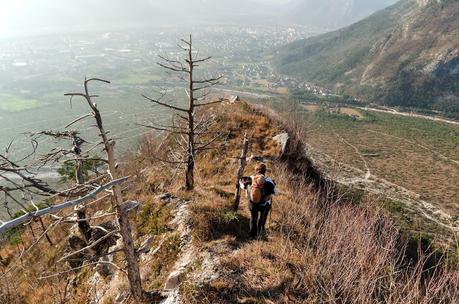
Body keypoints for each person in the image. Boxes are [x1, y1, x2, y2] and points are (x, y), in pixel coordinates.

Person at [241, 163, 277, 239]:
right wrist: (273, 184)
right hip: (264, 204)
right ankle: (260, 234)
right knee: (261, 218)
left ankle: (251, 236)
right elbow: (276, 192)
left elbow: (242, 186)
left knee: (253, 218)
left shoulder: (251, 178)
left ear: (256, 170)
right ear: (265, 170)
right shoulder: (268, 179)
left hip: (252, 203)